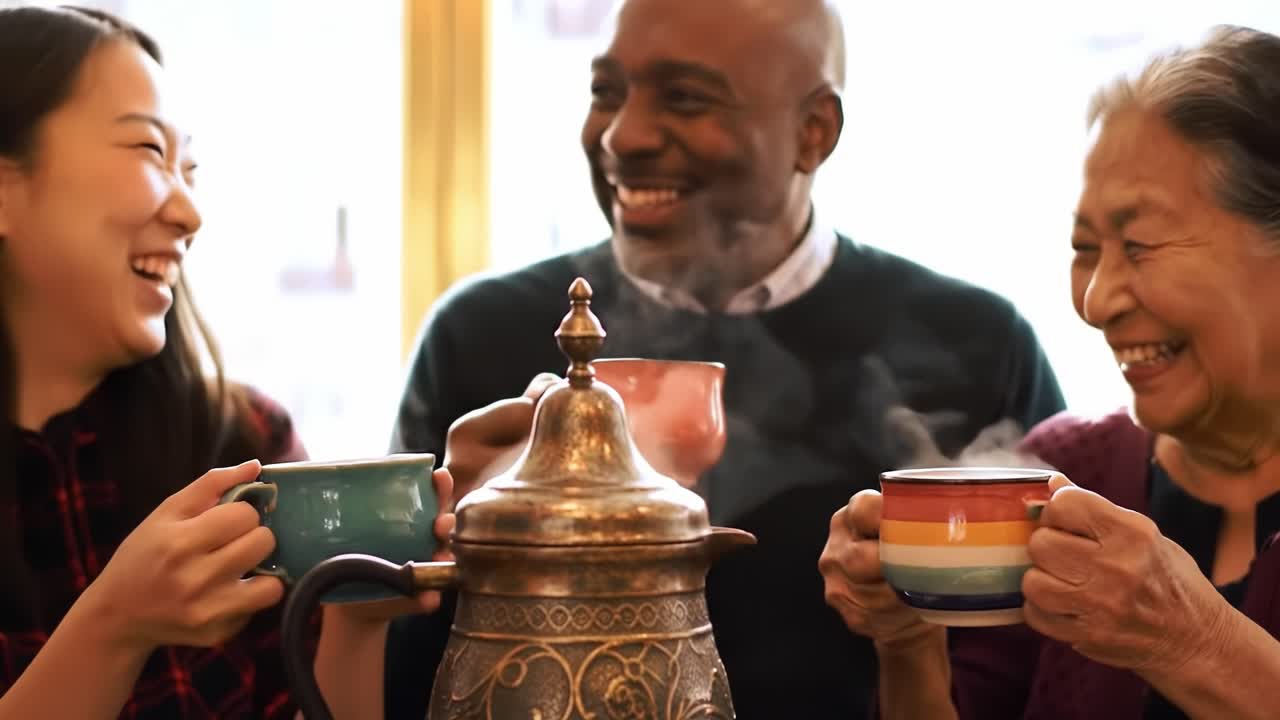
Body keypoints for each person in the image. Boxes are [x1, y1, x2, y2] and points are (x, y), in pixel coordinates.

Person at [383, 1, 1064, 717]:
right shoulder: (479, 337)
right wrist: (449, 546)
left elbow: (1050, 675)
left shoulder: (976, 344)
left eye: (685, 97)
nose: (623, 135)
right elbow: (394, 683)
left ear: (814, 133)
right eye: (606, 92)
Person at [819, 24, 1280, 720]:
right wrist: (908, 639)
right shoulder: (1068, 468)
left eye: (1139, 244)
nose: (1096, 302)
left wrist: (1196, 641)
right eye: (1086, 249)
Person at [0, 6, 449, 719]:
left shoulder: (246, 446)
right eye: (150, 153)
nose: (190, 214)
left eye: (192, 170)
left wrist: (354, 617)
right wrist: (114, 626)